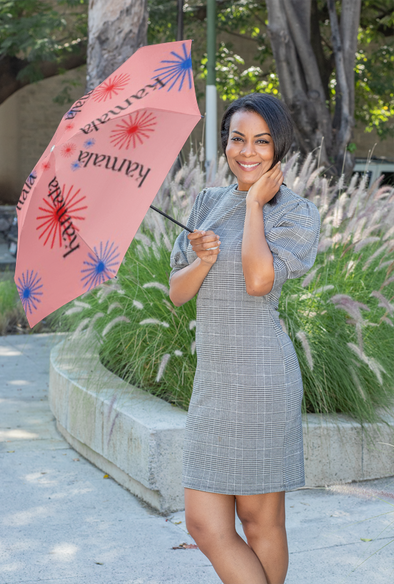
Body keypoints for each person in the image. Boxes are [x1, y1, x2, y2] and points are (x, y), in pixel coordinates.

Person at [168, 93, 321, 584]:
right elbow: (177, 292)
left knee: (260, 522)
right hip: (213, 382)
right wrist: (203, 260)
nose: (247, 151)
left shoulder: (297, 213)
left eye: (261, 141)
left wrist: (255, 203)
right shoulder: (206, 202)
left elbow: (259, 281)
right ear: (225, 143)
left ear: (279, 148)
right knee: (204, 523)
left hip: (261, 381)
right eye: (237, 139)